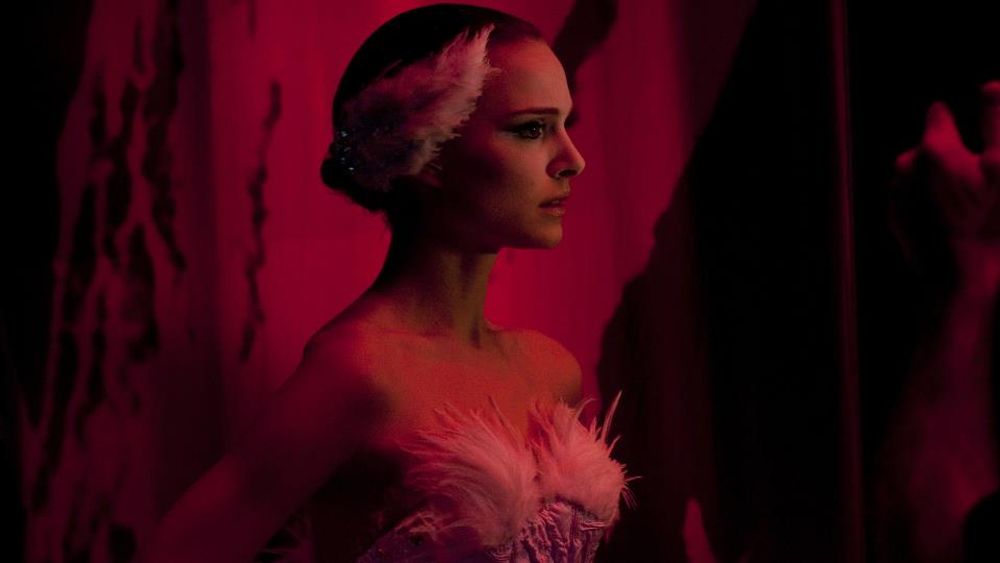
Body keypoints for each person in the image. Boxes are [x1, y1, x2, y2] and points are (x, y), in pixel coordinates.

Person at [141, 4, 631, 562]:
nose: (573, 160)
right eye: (531, 129)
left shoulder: (550, 370)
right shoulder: (360, 374)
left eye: (566, 124)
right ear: (431, 151)